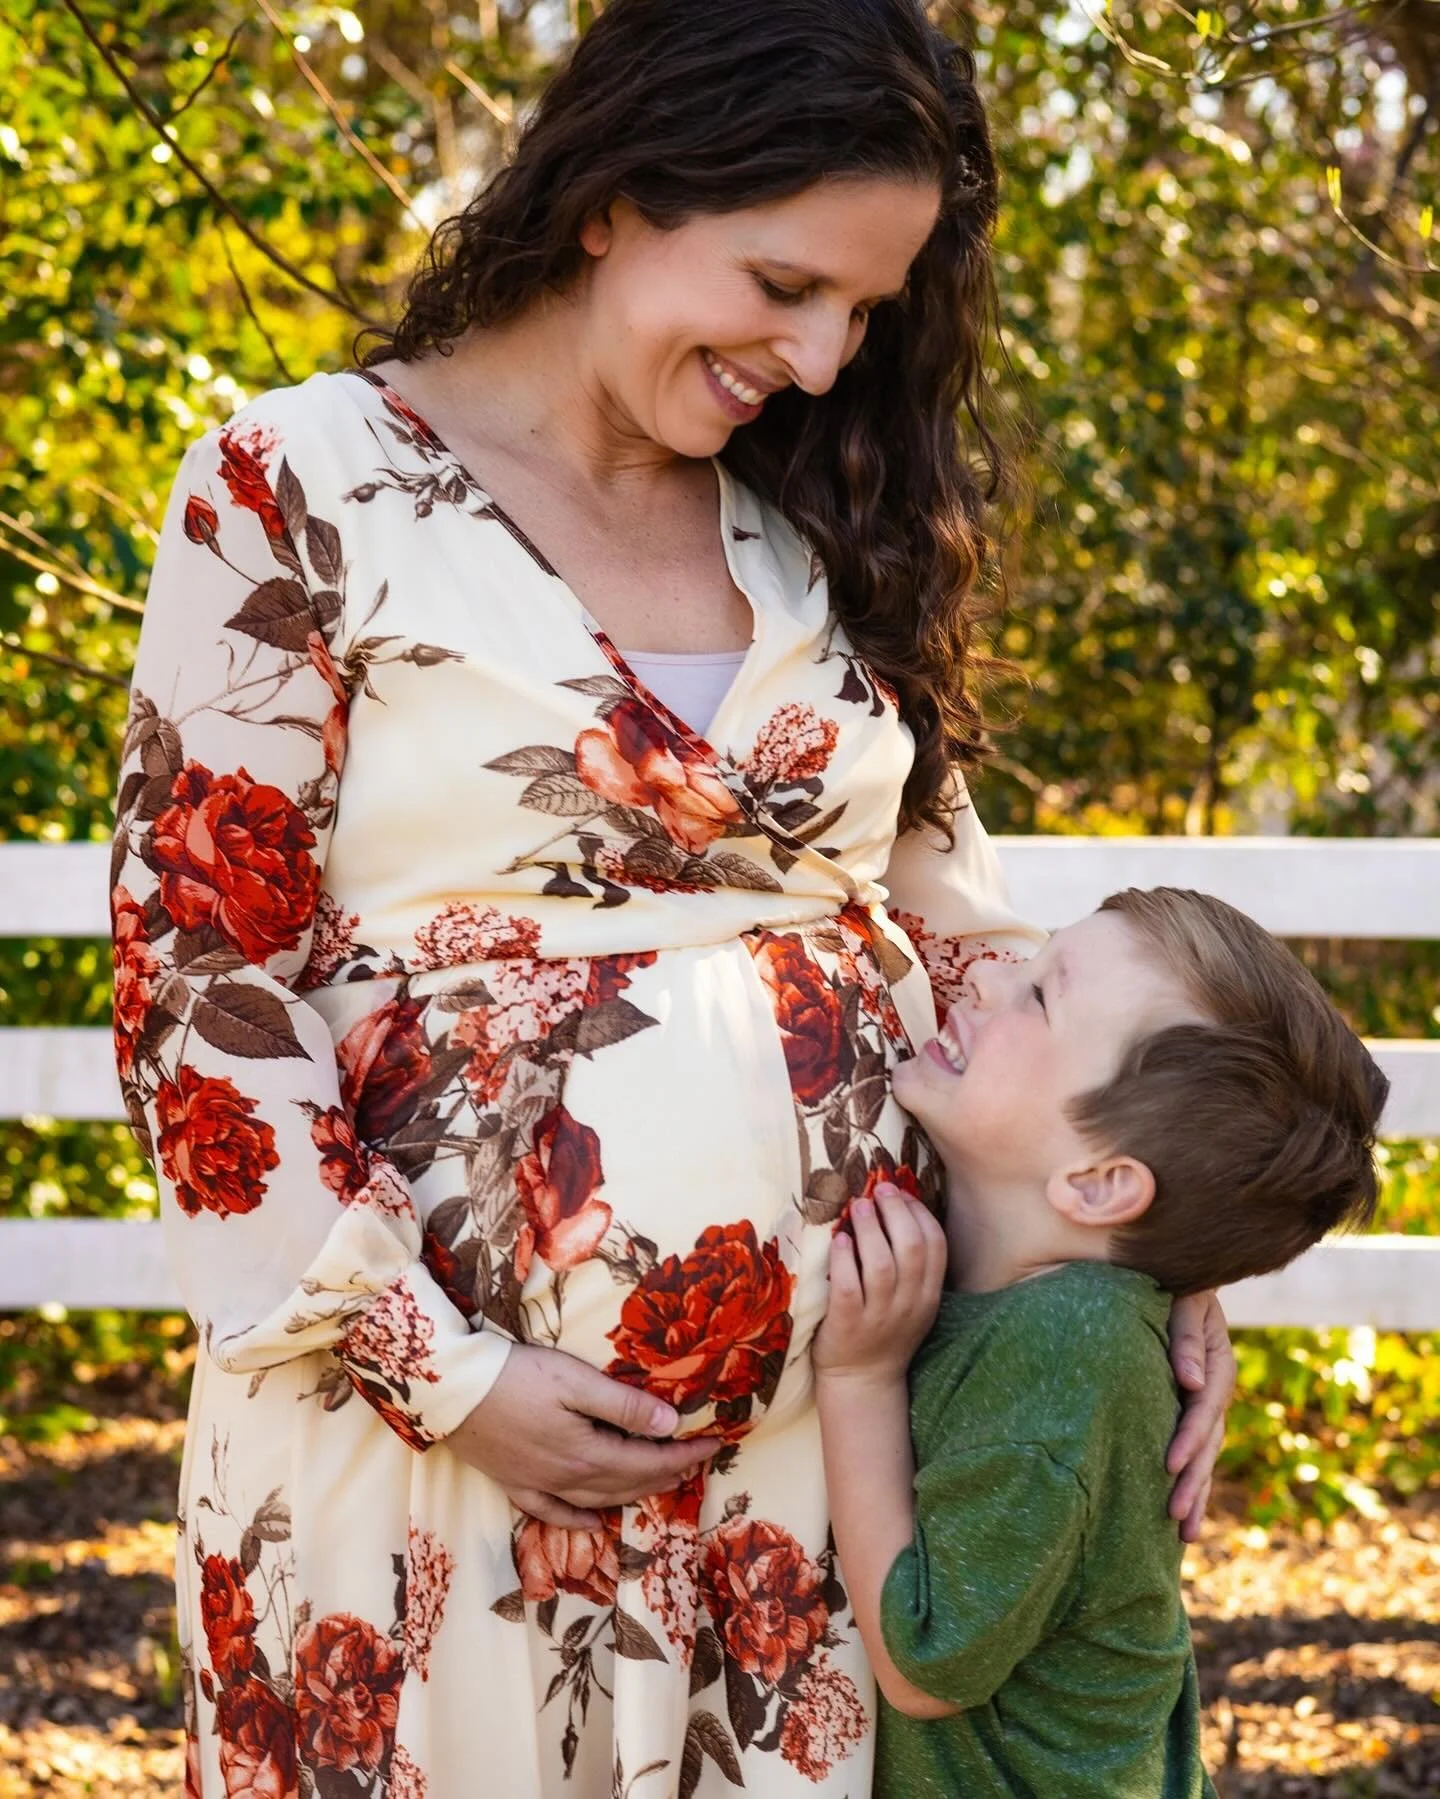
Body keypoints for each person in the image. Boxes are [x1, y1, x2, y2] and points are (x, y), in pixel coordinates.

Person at [109, 2, 1235, 1792]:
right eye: (783, 282)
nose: (814, 357)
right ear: (617, 194)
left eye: (863, 311)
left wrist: (1150, 1242)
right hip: (430, 1459)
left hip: (815, 1471)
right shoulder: (300, 486)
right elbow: (195, 980)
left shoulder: (821, 517)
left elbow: (964, 930)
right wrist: (448, 1372)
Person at [813, 887, 1387, 1797]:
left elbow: (926, 1668)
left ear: (1098, 1183)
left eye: (1040, 995)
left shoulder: (1070, 1343)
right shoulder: (1032, 1297)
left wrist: (858, 1377)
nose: (990, 968)